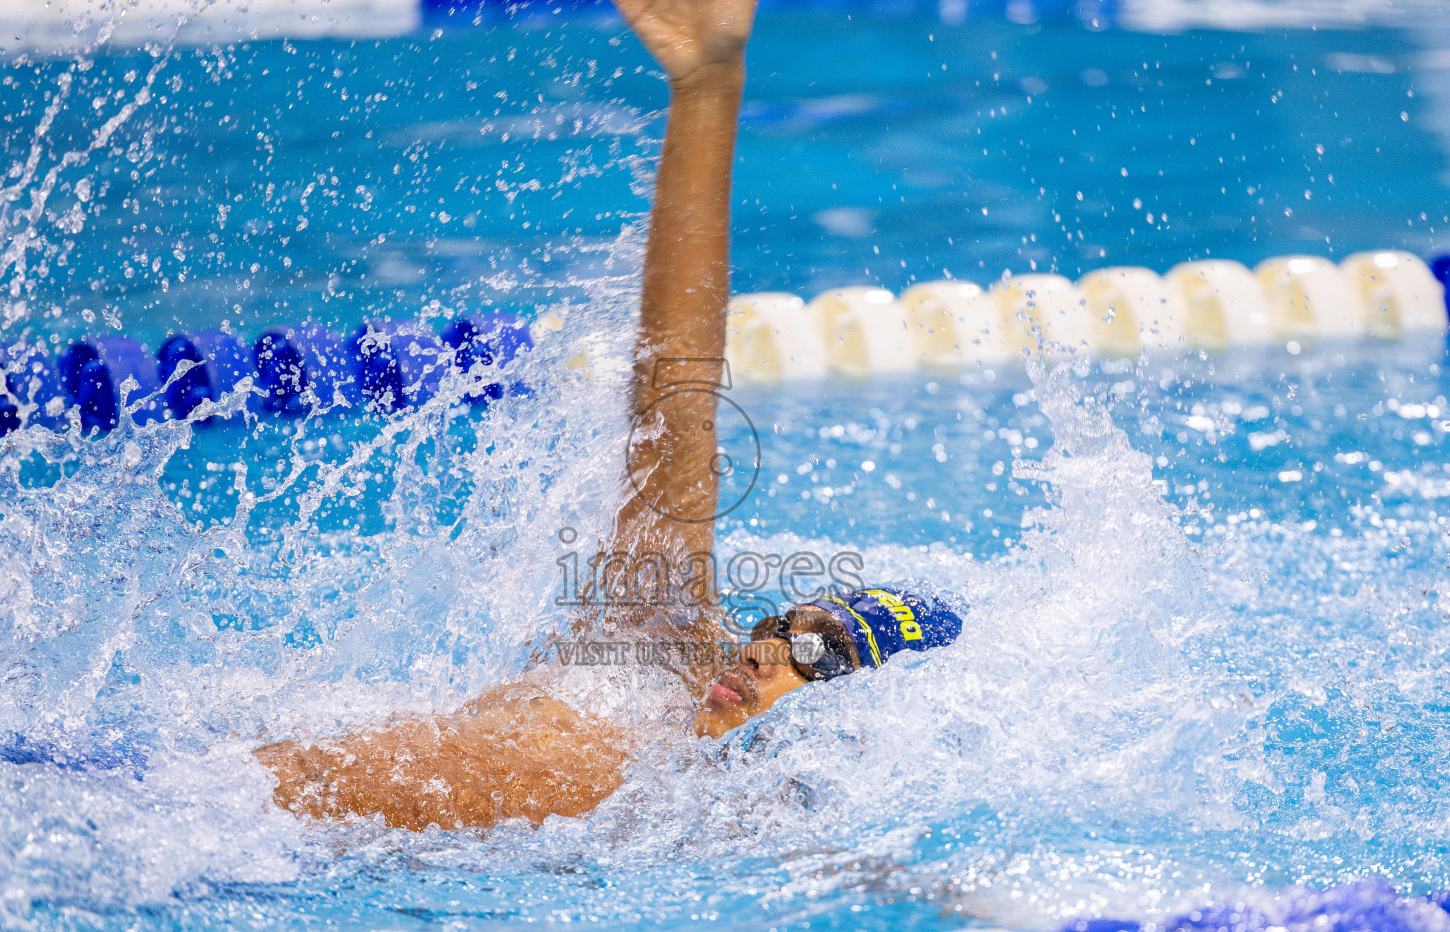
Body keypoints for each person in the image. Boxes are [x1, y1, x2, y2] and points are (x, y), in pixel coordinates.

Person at [254, 0, 965, 832]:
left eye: (815, 655)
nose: (767, 650)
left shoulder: (740, 810)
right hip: (243, 794)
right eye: (783, 624)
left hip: (276, 839)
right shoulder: (659, 638)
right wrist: (707, 89)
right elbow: (677, 388)